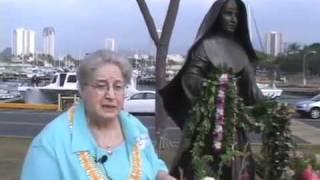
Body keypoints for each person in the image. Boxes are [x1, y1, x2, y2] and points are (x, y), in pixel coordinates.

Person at [21, 50, 176, 180]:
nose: (111, 95)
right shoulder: (50, 143)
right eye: (101, 86)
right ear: (82, 89)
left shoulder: (135, 127)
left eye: (118, 87)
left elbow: (152, 163)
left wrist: (162, 175)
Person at [159, 0, 264, 179]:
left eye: (236, 15)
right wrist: (217, 90)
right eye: (228, 13)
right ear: (217, 16)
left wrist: (271, 108)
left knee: (239, 170)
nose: (233, 19)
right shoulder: (205, 47)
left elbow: (252, 91)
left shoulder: (241, 51)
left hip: (234, 132)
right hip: (206, 130)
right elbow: (191, 79)